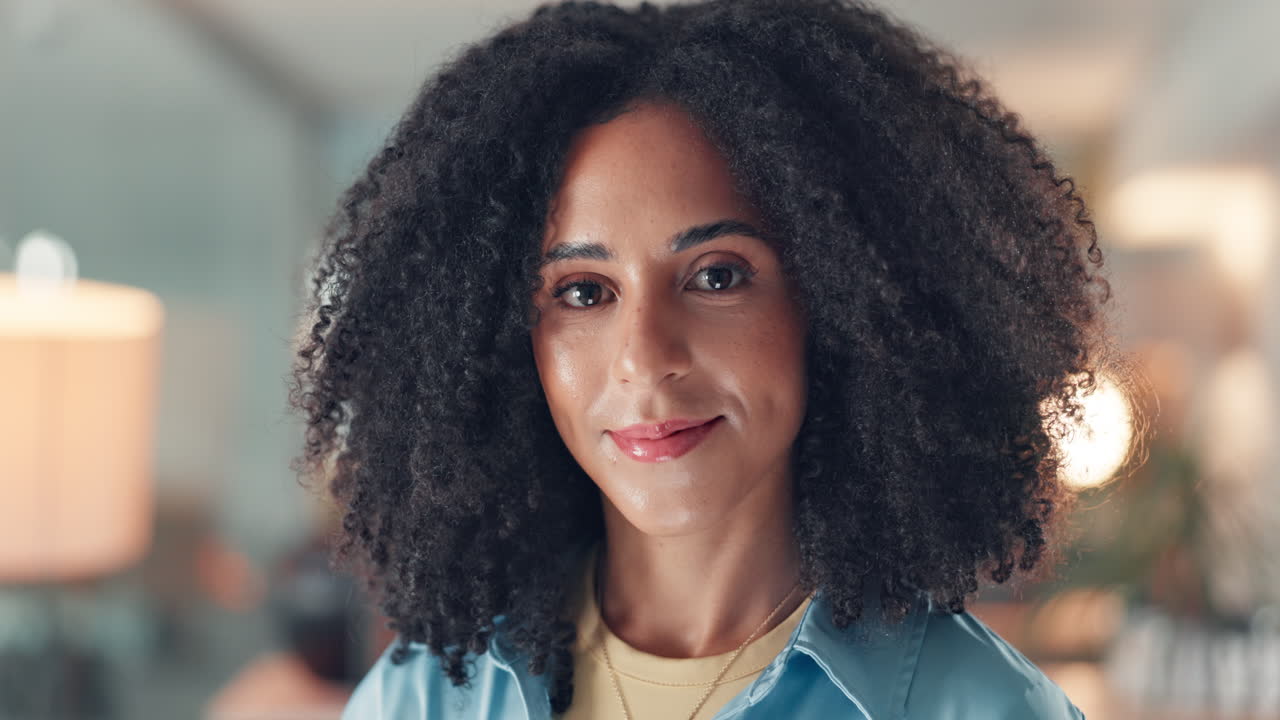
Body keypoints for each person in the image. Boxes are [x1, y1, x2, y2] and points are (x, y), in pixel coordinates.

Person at [288, 0, 1128, 717]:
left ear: (841, 301)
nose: (646, 360)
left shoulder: (980, 707)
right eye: (583, 292)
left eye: (716, 276)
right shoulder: (426, 696)